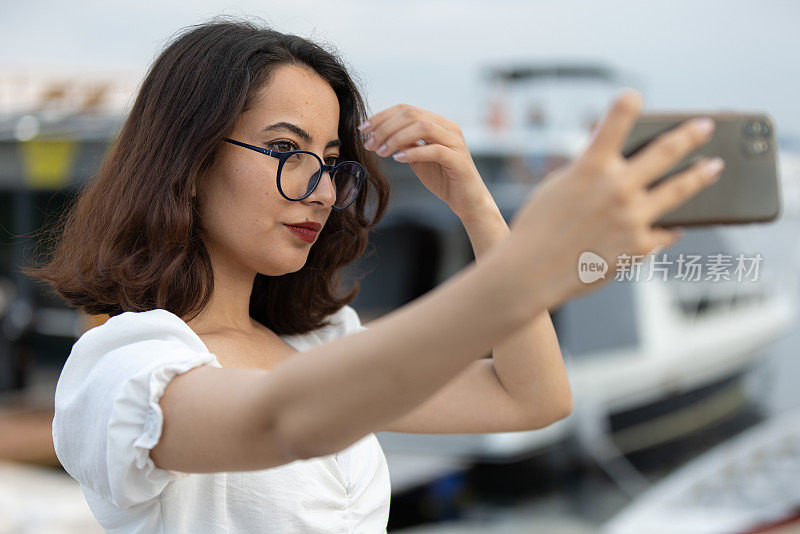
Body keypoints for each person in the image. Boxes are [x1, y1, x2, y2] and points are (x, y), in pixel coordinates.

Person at [22, 17, 723, 534]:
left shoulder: (319, 346)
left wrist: (478, 206)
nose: (323, 191)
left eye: (330, 160)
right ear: (191, 159)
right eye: (285, 150)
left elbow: (532, 398)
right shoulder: (123, 369)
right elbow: (281, 419)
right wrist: (527, 269)